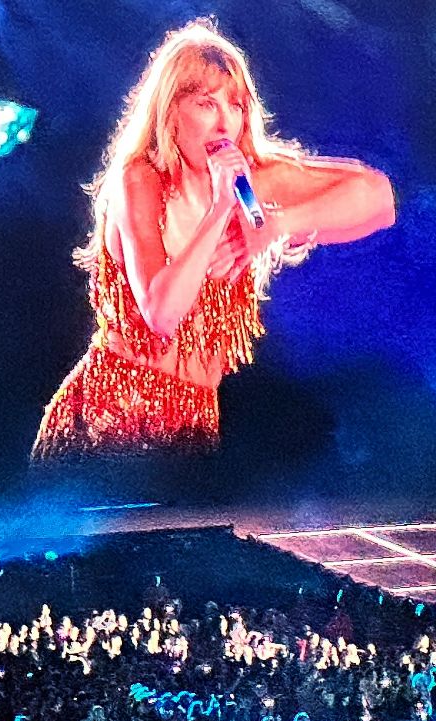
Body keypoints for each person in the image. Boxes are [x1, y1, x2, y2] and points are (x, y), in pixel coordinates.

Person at [32, 19, 394, 459]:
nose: (226, 122)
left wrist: (279, 225)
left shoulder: (253, 177)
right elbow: (161, 313)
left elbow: (378, 198)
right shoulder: (141, 180)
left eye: (236, 105)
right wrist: (222, 207)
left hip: (195, 423)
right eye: (207, 104)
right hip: (111, 415)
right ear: (171, 113)